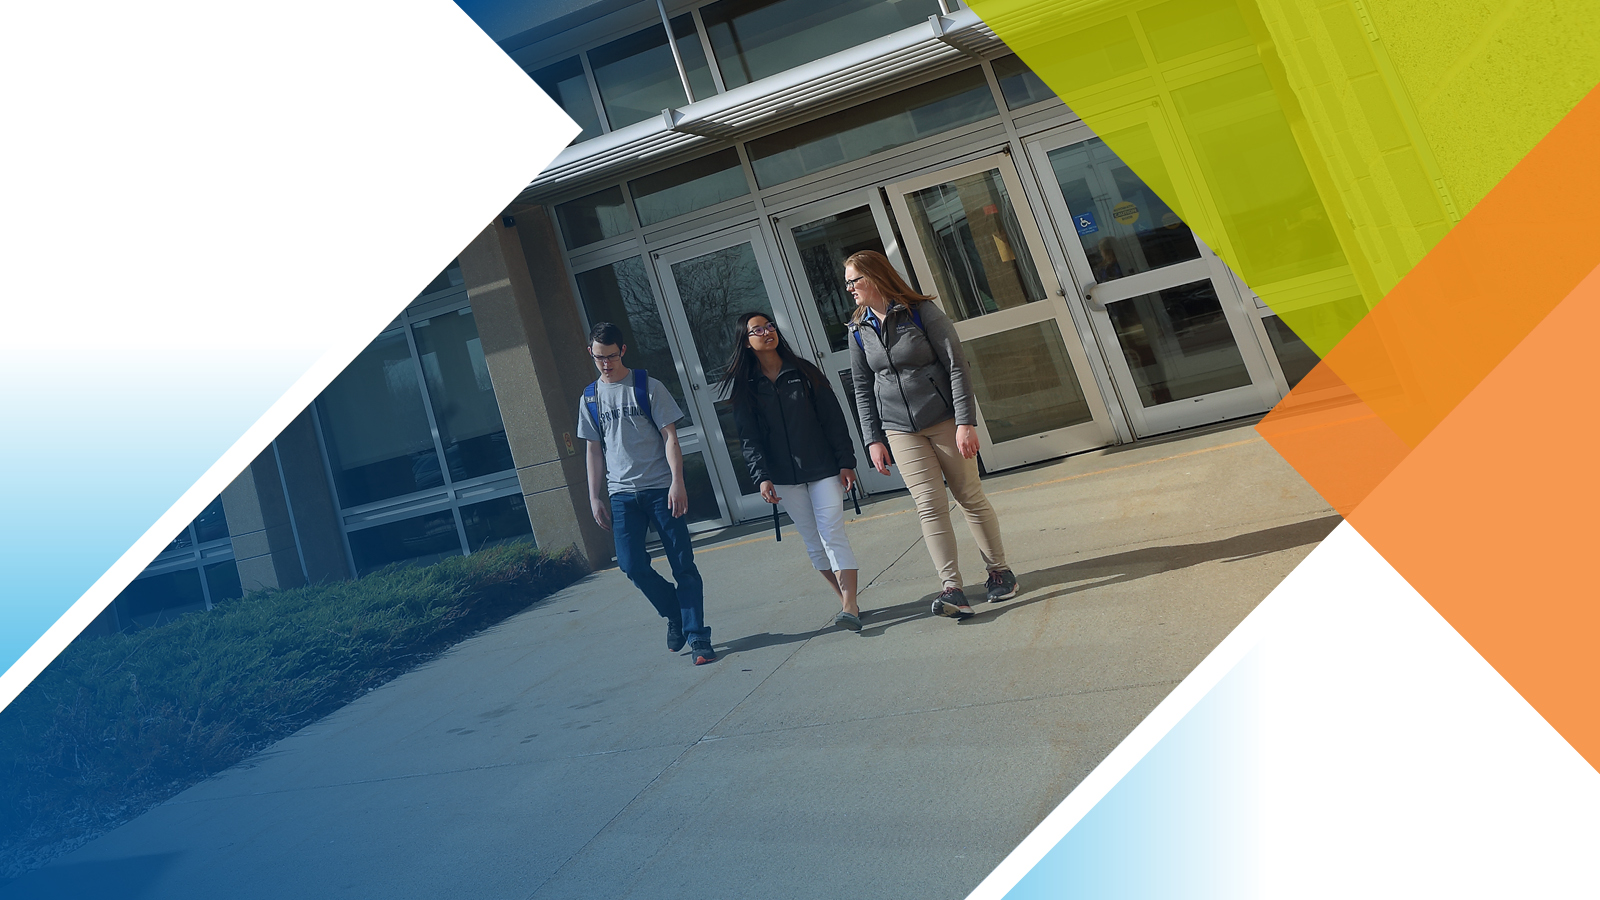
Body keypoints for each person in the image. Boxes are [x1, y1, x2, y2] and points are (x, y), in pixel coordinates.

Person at [844, 250, 1019, 618]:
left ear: (874, 277)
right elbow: (862, 386)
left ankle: (1000, 571)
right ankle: (952, 588)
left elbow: (957, 365)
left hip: (943, 419)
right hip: (898, 429)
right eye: (847, 283)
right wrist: (872, 438)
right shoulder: (858, 329)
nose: (850, 290)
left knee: (968, 496)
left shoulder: (921, 312)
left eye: (853, 281)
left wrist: (964, 422)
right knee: (929, 506)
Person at [576, 321, 715, 665]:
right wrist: (595, 497)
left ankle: (697, 637)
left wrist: (677, 481)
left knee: (682, 563)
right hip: (622, 495)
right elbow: (594, 450)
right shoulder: (590, 398)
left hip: (659, 490)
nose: (605, 364)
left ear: (622, 351)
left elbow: (670, 436)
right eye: (598, 357)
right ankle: (675, 612)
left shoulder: (647, 386)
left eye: (610, 356)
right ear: (590, 353)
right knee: (631, 565)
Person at [722, 311, 864, 632]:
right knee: (813, 541)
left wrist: (846, 461)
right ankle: (845, 601)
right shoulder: (747, 388)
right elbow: (749, 438)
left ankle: (851, 605)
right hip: (784, 477)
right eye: (757, 330)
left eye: (769, 326)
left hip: (824, 467)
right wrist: (762, 476)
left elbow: (833, 419)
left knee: (832, 532)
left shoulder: (803, 371)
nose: (767, 332)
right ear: (746, 343)